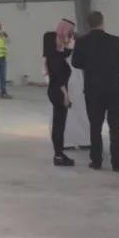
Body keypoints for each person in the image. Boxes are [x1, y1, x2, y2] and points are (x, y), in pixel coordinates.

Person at [72, 11, 119, 171]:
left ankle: (96, 161)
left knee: (95, 126)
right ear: (102, 22)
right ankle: (118, 163)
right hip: (114, 89)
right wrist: (113, 66)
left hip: (93, 90)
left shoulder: (82, 42)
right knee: (116, 127)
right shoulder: (115, 41)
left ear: (88, 24)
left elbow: (76, 63)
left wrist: (90, 65)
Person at [43, 19, 77, 167]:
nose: (70, 35)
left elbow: (65, 52)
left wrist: (70, 43)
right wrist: (66, 96)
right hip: (59, 92)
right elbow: (60, 79)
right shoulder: (56, 58)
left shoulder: (54, 53)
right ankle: (58, 155)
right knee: (59, 126)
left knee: (59, 125)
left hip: (54, 91)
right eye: (70, 33)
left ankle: (59, 153)